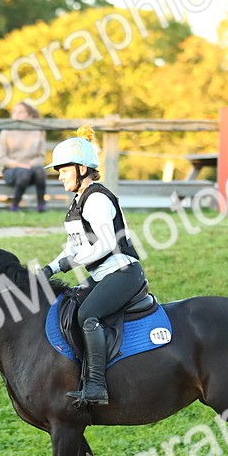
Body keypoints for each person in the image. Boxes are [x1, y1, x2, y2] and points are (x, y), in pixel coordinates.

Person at [42, 125, 146, 407]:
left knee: (87, 314)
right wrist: (49, 269)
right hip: (103, 273)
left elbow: (104, 244)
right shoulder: (77, 202)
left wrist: (68, 263)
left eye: (64, 170)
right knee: (69, 305)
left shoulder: (97, 199)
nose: (59, 176)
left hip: (123, 272)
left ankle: (97, 385)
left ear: (82, 168)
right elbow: (73, 246)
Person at [0, 101, 48, 212]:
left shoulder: (38, 131)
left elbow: (41, 156)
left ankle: (41, 206)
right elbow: (2, 158)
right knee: (24, 173)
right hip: (12, 169)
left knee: (40, 171)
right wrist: (20, 165)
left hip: (32, 168)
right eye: (14, 112)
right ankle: (15, 205)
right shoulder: (6, 132)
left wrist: (31, 164)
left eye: (21, 112)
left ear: (29, 115)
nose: (16, 115)